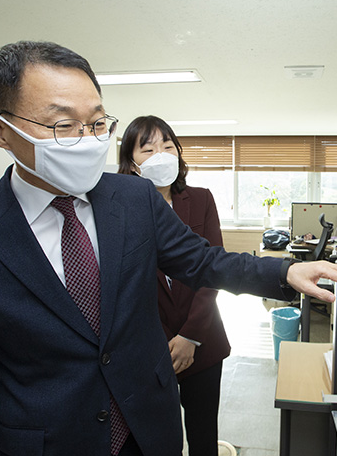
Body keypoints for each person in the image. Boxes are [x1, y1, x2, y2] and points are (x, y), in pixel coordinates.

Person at [0, 40, 337, 456]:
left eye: (97, 123)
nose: (89, 142)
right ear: (0, 132)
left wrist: (284, 273)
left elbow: (201, 260)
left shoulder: (133, 199)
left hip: (151, 430)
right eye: (63, 125)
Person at [119, 115, 229, 455]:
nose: (161, 154)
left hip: (203, 339)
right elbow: (125, 285)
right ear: (131, 162)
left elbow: (213, 269)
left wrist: (190, 336)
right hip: (149, 348)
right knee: (155, 438)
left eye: (167, 146)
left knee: (202, 436)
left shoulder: (200, 199)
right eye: (148, 149)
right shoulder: (118, 210)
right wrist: (165, 341)